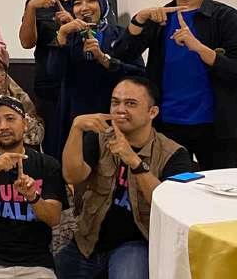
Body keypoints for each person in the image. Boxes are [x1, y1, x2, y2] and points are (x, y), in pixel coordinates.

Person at [112, 0, 237, 170]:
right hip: (167, 125)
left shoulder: (226, 17)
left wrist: (199, 47)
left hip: (216, 126)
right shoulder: (160, 18)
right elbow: (121, 54)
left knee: (219, 188)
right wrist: (139, 20)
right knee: (172, 187)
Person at [56, 77, 194, 278]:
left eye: (130, 103)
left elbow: (173, 206)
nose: (120, 110)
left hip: (137, 244)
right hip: (90, 239)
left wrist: (134, 161)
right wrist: (76, 129)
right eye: (115, 102)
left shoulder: (173, 153)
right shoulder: (99, 138)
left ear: (152, 112)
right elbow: (72, 175)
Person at [0, 96, 67, 278]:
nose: (3, 126)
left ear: (25, 124)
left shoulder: (47, 164)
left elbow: (54, 218)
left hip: (36, 263)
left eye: (10, 118)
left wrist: (33, 197)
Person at [47, 0, 144, 158]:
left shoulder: (120, 35)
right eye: (77, 3)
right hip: (74, 114)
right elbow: (53, 74)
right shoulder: (69, 36)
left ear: (103, 3)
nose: (84, 7)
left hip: (113, 112)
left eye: (91, 0)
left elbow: (139, 75)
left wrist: (103, 58)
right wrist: (61, 36)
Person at [19, 0, 80, 162]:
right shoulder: (37, 3)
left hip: (83, 83)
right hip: (49, 86)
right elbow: (26, 43)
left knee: (85, 146)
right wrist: (31, 8)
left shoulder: (88, 0)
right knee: (53, 147)